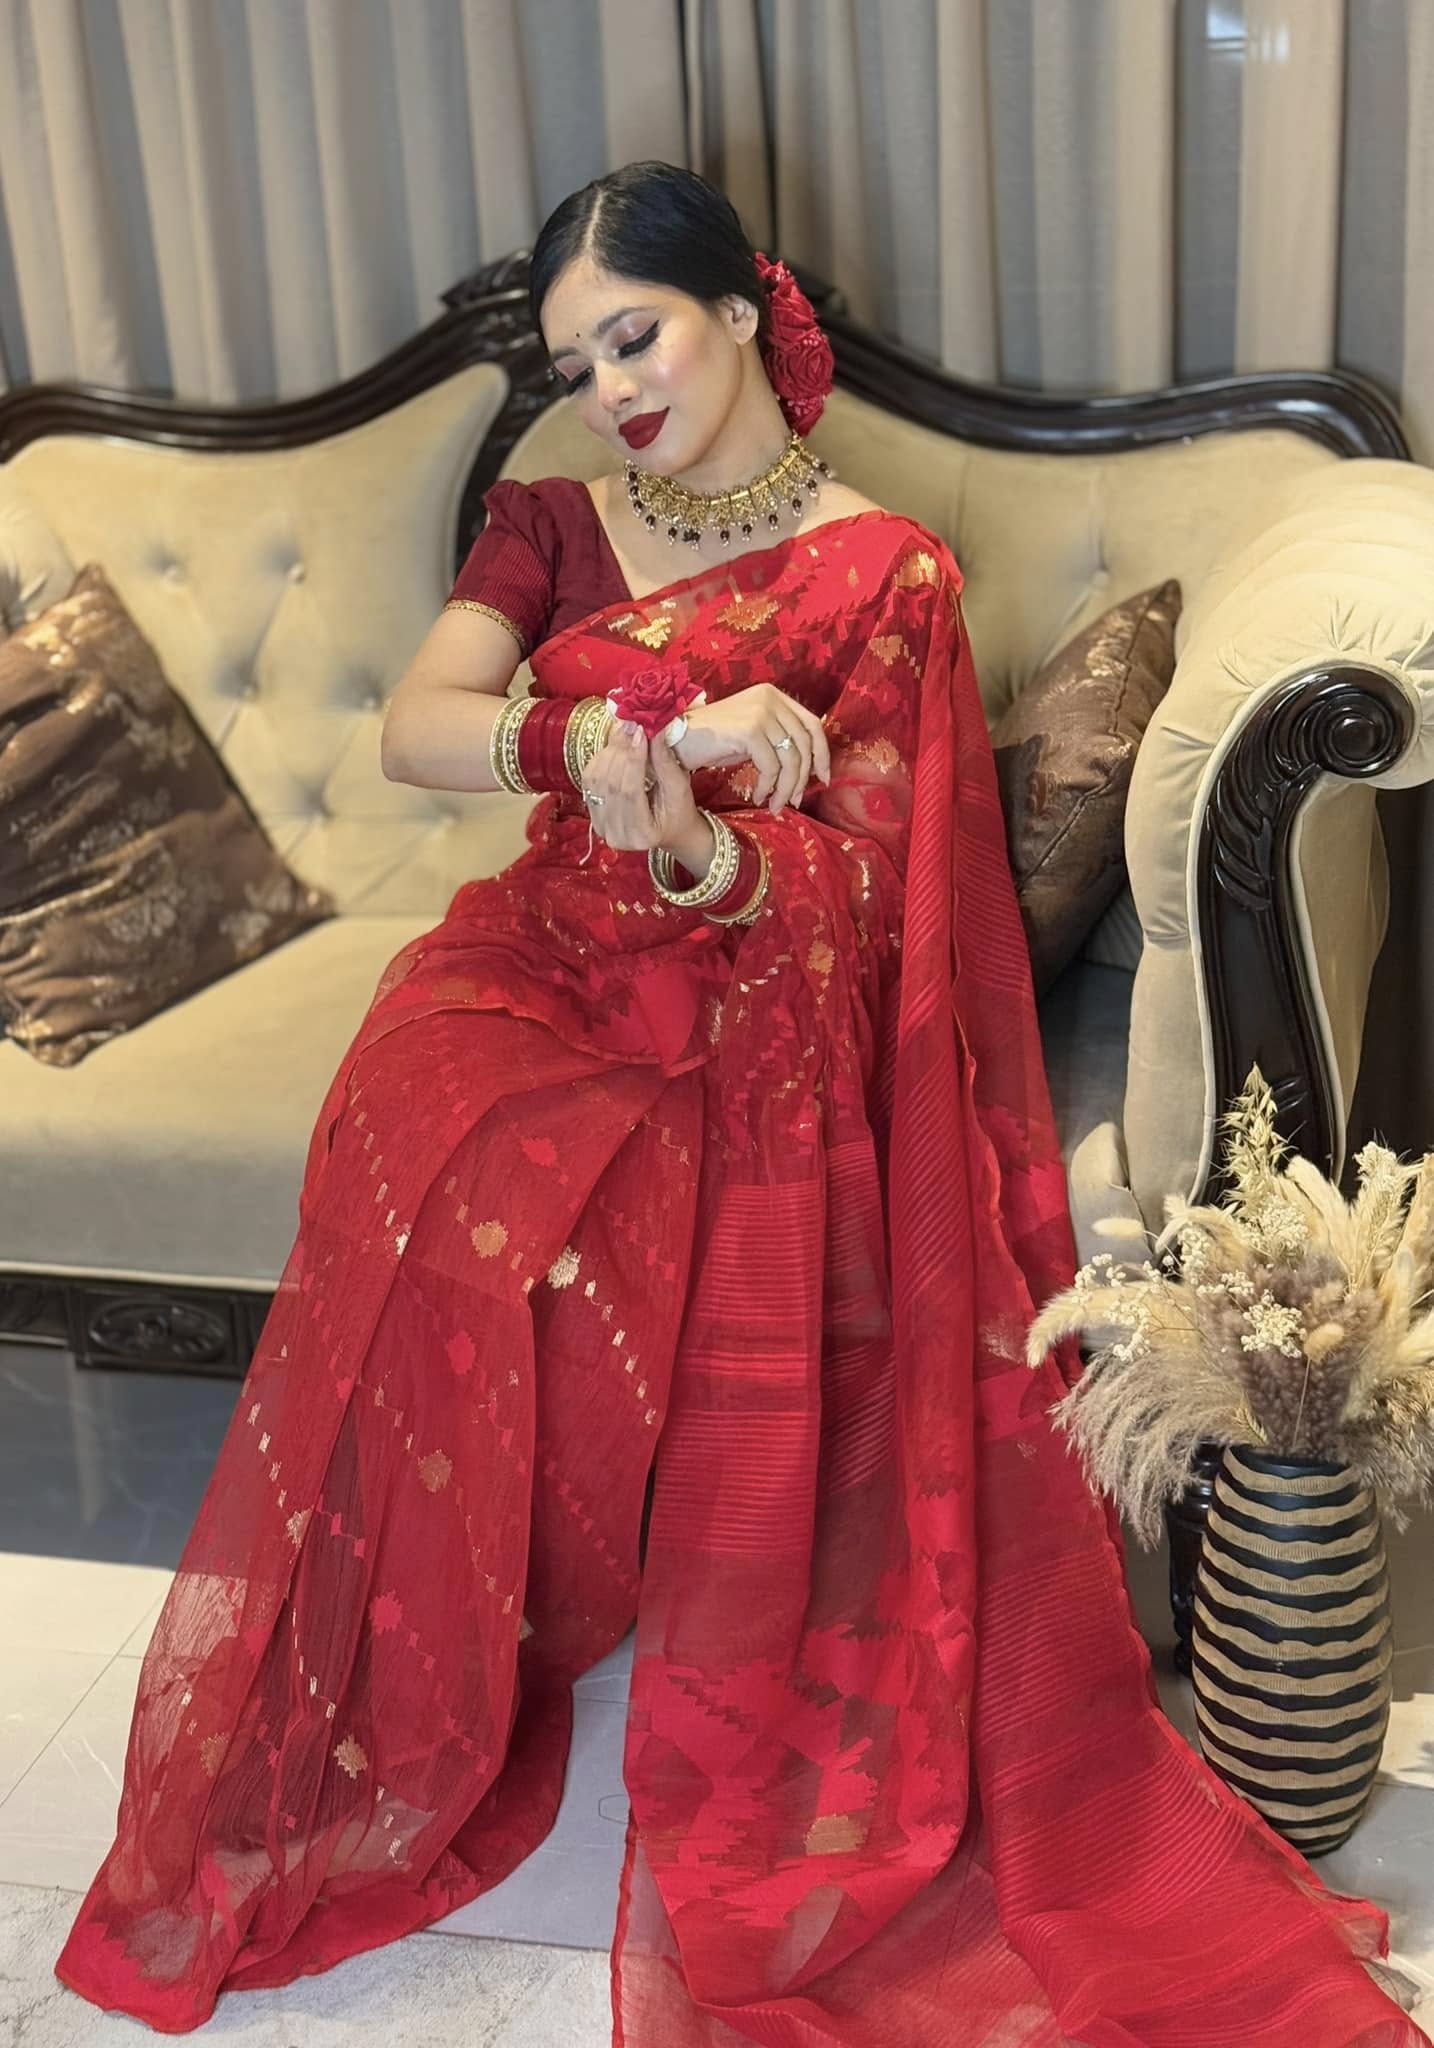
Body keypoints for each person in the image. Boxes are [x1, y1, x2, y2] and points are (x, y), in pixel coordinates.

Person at [56, 160, 1426, 2048]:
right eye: (577, 363)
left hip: (751, 997)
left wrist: (704, 851)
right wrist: (625, 736)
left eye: (636, 337)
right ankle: (422, 1675)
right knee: (420, 1134)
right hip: (538, 956)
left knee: (636, 1191)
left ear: (738, 308)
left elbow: (885, 892)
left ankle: (601, 1611)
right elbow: (420, 725)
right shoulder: (549, 519)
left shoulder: (887, 574)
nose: (612, 389)